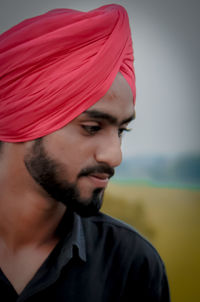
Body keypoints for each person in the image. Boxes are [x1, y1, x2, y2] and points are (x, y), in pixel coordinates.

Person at [0, 4, 170, 302]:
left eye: (121, 131)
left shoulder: (133, 265)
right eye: (92, 127)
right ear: (22, 120)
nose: (114, 156)